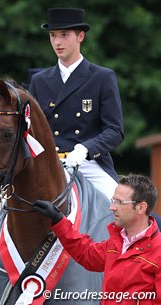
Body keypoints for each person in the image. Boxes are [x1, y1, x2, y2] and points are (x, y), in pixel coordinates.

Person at [29, 8, 124, 199]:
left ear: (80, 36)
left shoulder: (102, 77)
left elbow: (115, 131)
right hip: (47, 163)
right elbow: (30, 127)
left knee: (118, 205)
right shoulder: (39, 80)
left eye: (64, 35)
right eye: (53, 35)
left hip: (87, 163)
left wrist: (86, 149)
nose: (57, 42)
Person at [33, 174, 161, 304]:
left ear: (141, 207)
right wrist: (58, 220)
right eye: (113, 201)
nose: (112, 207)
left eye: (120, 202)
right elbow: (86, 253)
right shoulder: (116, 242)